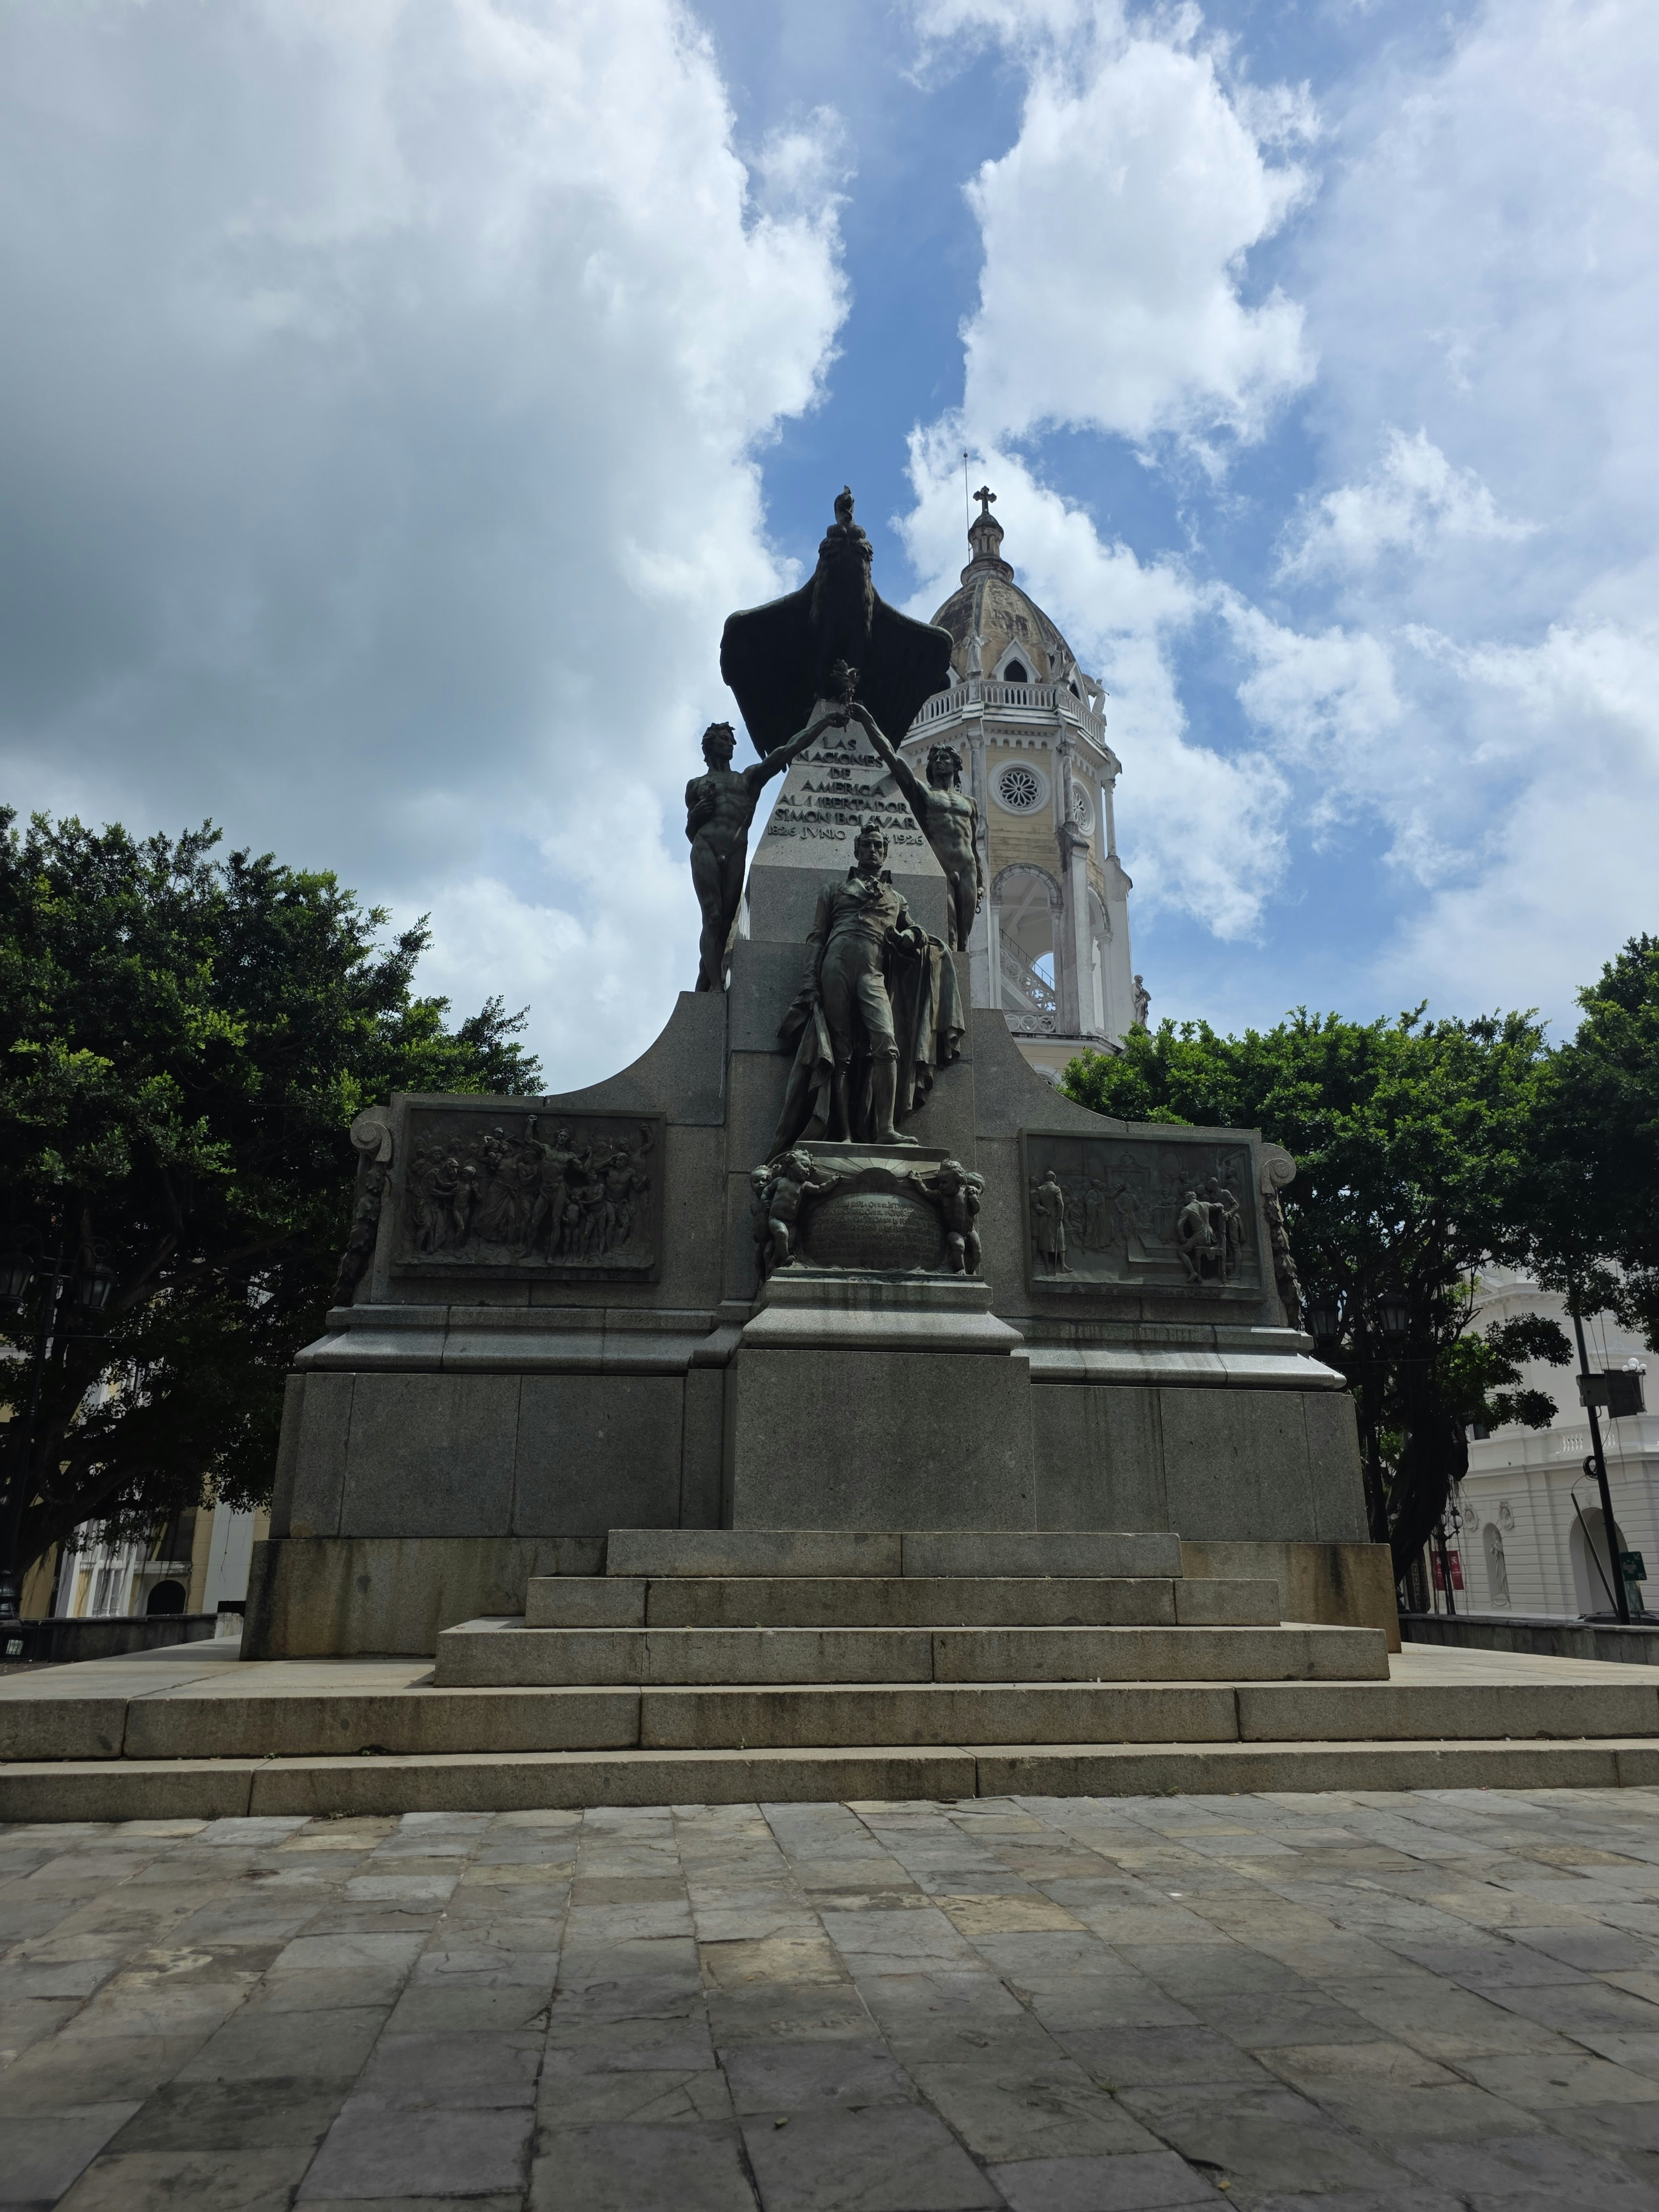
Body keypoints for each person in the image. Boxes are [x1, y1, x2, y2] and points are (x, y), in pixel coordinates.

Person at [685, 708, 846, 992]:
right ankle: (717, 991)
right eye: (724, 739)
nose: (731, 744)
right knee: (711, 917)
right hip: (705, 847)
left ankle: (704, 985)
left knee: (724, 924)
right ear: (710, 745)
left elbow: (786, 751)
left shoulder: (747, 779)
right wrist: (697, 814)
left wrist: (823, 722)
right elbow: (690, 832)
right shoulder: (696, 785)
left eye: (732, 740)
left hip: (735, 849)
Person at [847, 705, 982, 953]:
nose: (940, 762)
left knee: (965, 941)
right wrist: (867, 720)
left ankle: (959, 988)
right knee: (949, 934)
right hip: (940, 866)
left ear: (956, 765)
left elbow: (974, 845)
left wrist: (982, 882)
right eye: (935, 760)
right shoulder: (923, 792)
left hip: (968, 869)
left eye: (945, 758)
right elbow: (892, 758)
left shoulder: (970, 803)